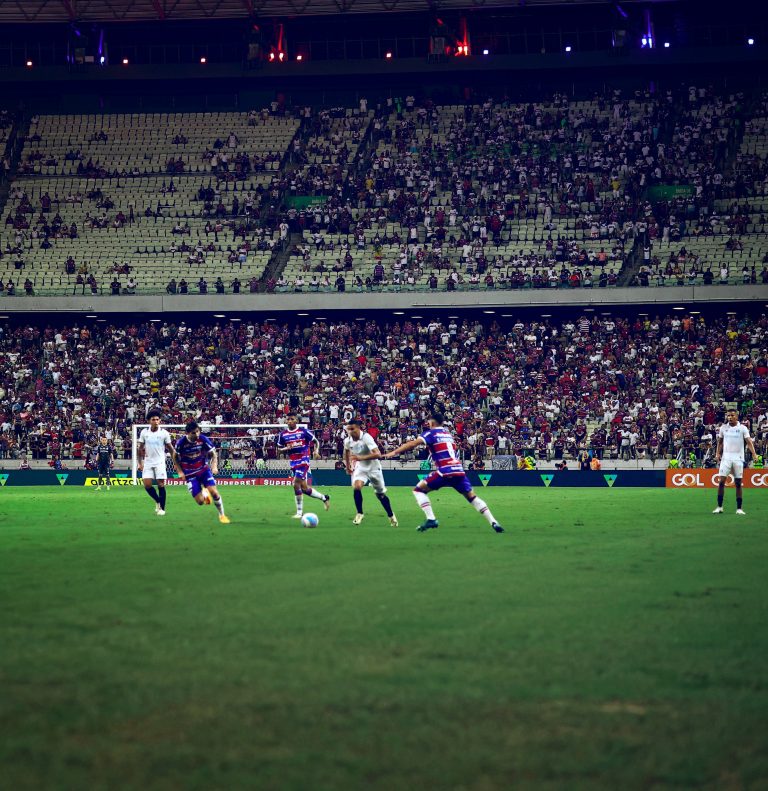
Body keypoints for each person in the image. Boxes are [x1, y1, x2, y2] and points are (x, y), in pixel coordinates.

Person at [383, 411, 503, 533]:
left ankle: (431, 518)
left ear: (433, 422)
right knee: (472, 497)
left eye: (429, 421)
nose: (428, 423)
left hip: (445, 470)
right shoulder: (448, 434)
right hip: (459, 470)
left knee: (418, 490)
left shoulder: (430, 433)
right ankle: (494, 522)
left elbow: (413, 444)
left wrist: (394, 452)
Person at [343, 418, 397, 527]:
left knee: (380, 494)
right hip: (361, 467)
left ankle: (391, 515)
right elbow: (346, 451)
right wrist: (348, 466)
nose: (350, 431)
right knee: (357, 486)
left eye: (352, 429)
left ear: (358, 428)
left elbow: (378, 454)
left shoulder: (366, 438)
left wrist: (359, 457)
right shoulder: (347, 441)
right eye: (348, 429)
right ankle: (359, 513)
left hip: (374, 467)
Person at [173, 421, 230, 524]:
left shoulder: (203, 439)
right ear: (187, 433)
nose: (197, 434)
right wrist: (180, 471)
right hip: (190, 474)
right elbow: (175, 457)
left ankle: (222, 515)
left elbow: (213, 453)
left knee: (215, 493)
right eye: (194, 433)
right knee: (200, 502)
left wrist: (214, 466)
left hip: (204, 470)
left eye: (198, 431)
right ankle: (204, 493)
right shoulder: (181, 443)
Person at [277, 412, 330, 519]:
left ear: (296, 420)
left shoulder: (303, 431)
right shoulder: (283, 434)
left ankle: (299, 513)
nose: (290, 421)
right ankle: (324, 497)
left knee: (296, 483)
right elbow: (278, 449)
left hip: (304, 461)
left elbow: (315, 441)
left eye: (292, 419)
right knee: (304, 488)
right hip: (293, 462)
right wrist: (285, 449)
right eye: (288, 419)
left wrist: (316, 451)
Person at [713, 408, 757, 516]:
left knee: (738, 483)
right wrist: (717, 453)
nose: (730, 417)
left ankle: (739, 508)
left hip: (738, 458)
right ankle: (719, 507)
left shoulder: (742, 428)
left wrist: (754, 454)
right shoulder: (723, 428)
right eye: (728, 416)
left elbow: (749, 442)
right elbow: (720, 442)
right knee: (721, 482)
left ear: (736, 416)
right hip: (726, 458)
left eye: (732, 415)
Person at [137, 410, 175, 516]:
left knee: (161, 484)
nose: (156, 421)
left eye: (157, 419)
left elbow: (171, 449)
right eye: (153, 419)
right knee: (147, 485)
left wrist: (175, 463)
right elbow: (140, 449)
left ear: (160, 420)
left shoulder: (164, 433)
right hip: (148, 462)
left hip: (160, 462)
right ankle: (158, 501)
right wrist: (140, 463)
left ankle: (162, 509)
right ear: (149, 421)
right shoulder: (144, 432)